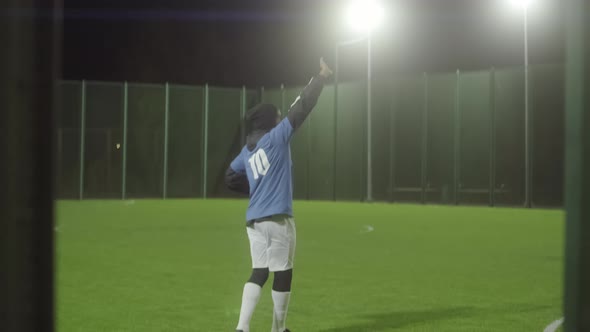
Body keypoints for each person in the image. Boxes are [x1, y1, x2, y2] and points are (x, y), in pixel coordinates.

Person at [225, 58, 333, 332]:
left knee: (259, 272)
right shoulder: (277, 137)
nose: (279, 118)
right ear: (270, 122)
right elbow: (302, 107)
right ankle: (278, 329)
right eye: (276, 116)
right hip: (278, 220)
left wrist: (255, 187)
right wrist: (320, 77)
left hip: (254, 223)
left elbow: (229, 177)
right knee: (283, 273)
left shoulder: (247, 151)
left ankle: (242, 327)